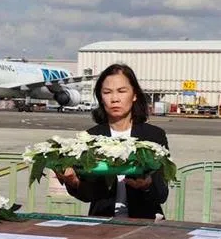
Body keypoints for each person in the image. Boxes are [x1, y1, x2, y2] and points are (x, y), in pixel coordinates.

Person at [56, 63, 170, 219]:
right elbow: (89, 195)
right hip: (102, 222)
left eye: (122, 91)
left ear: (134, 94)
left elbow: (162, 194)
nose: (115, 99)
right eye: (107, 92)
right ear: (101, 98)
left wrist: (147, 186)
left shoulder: (154, 136)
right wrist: (74, 182)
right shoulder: (90, 138)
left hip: (144, 222)